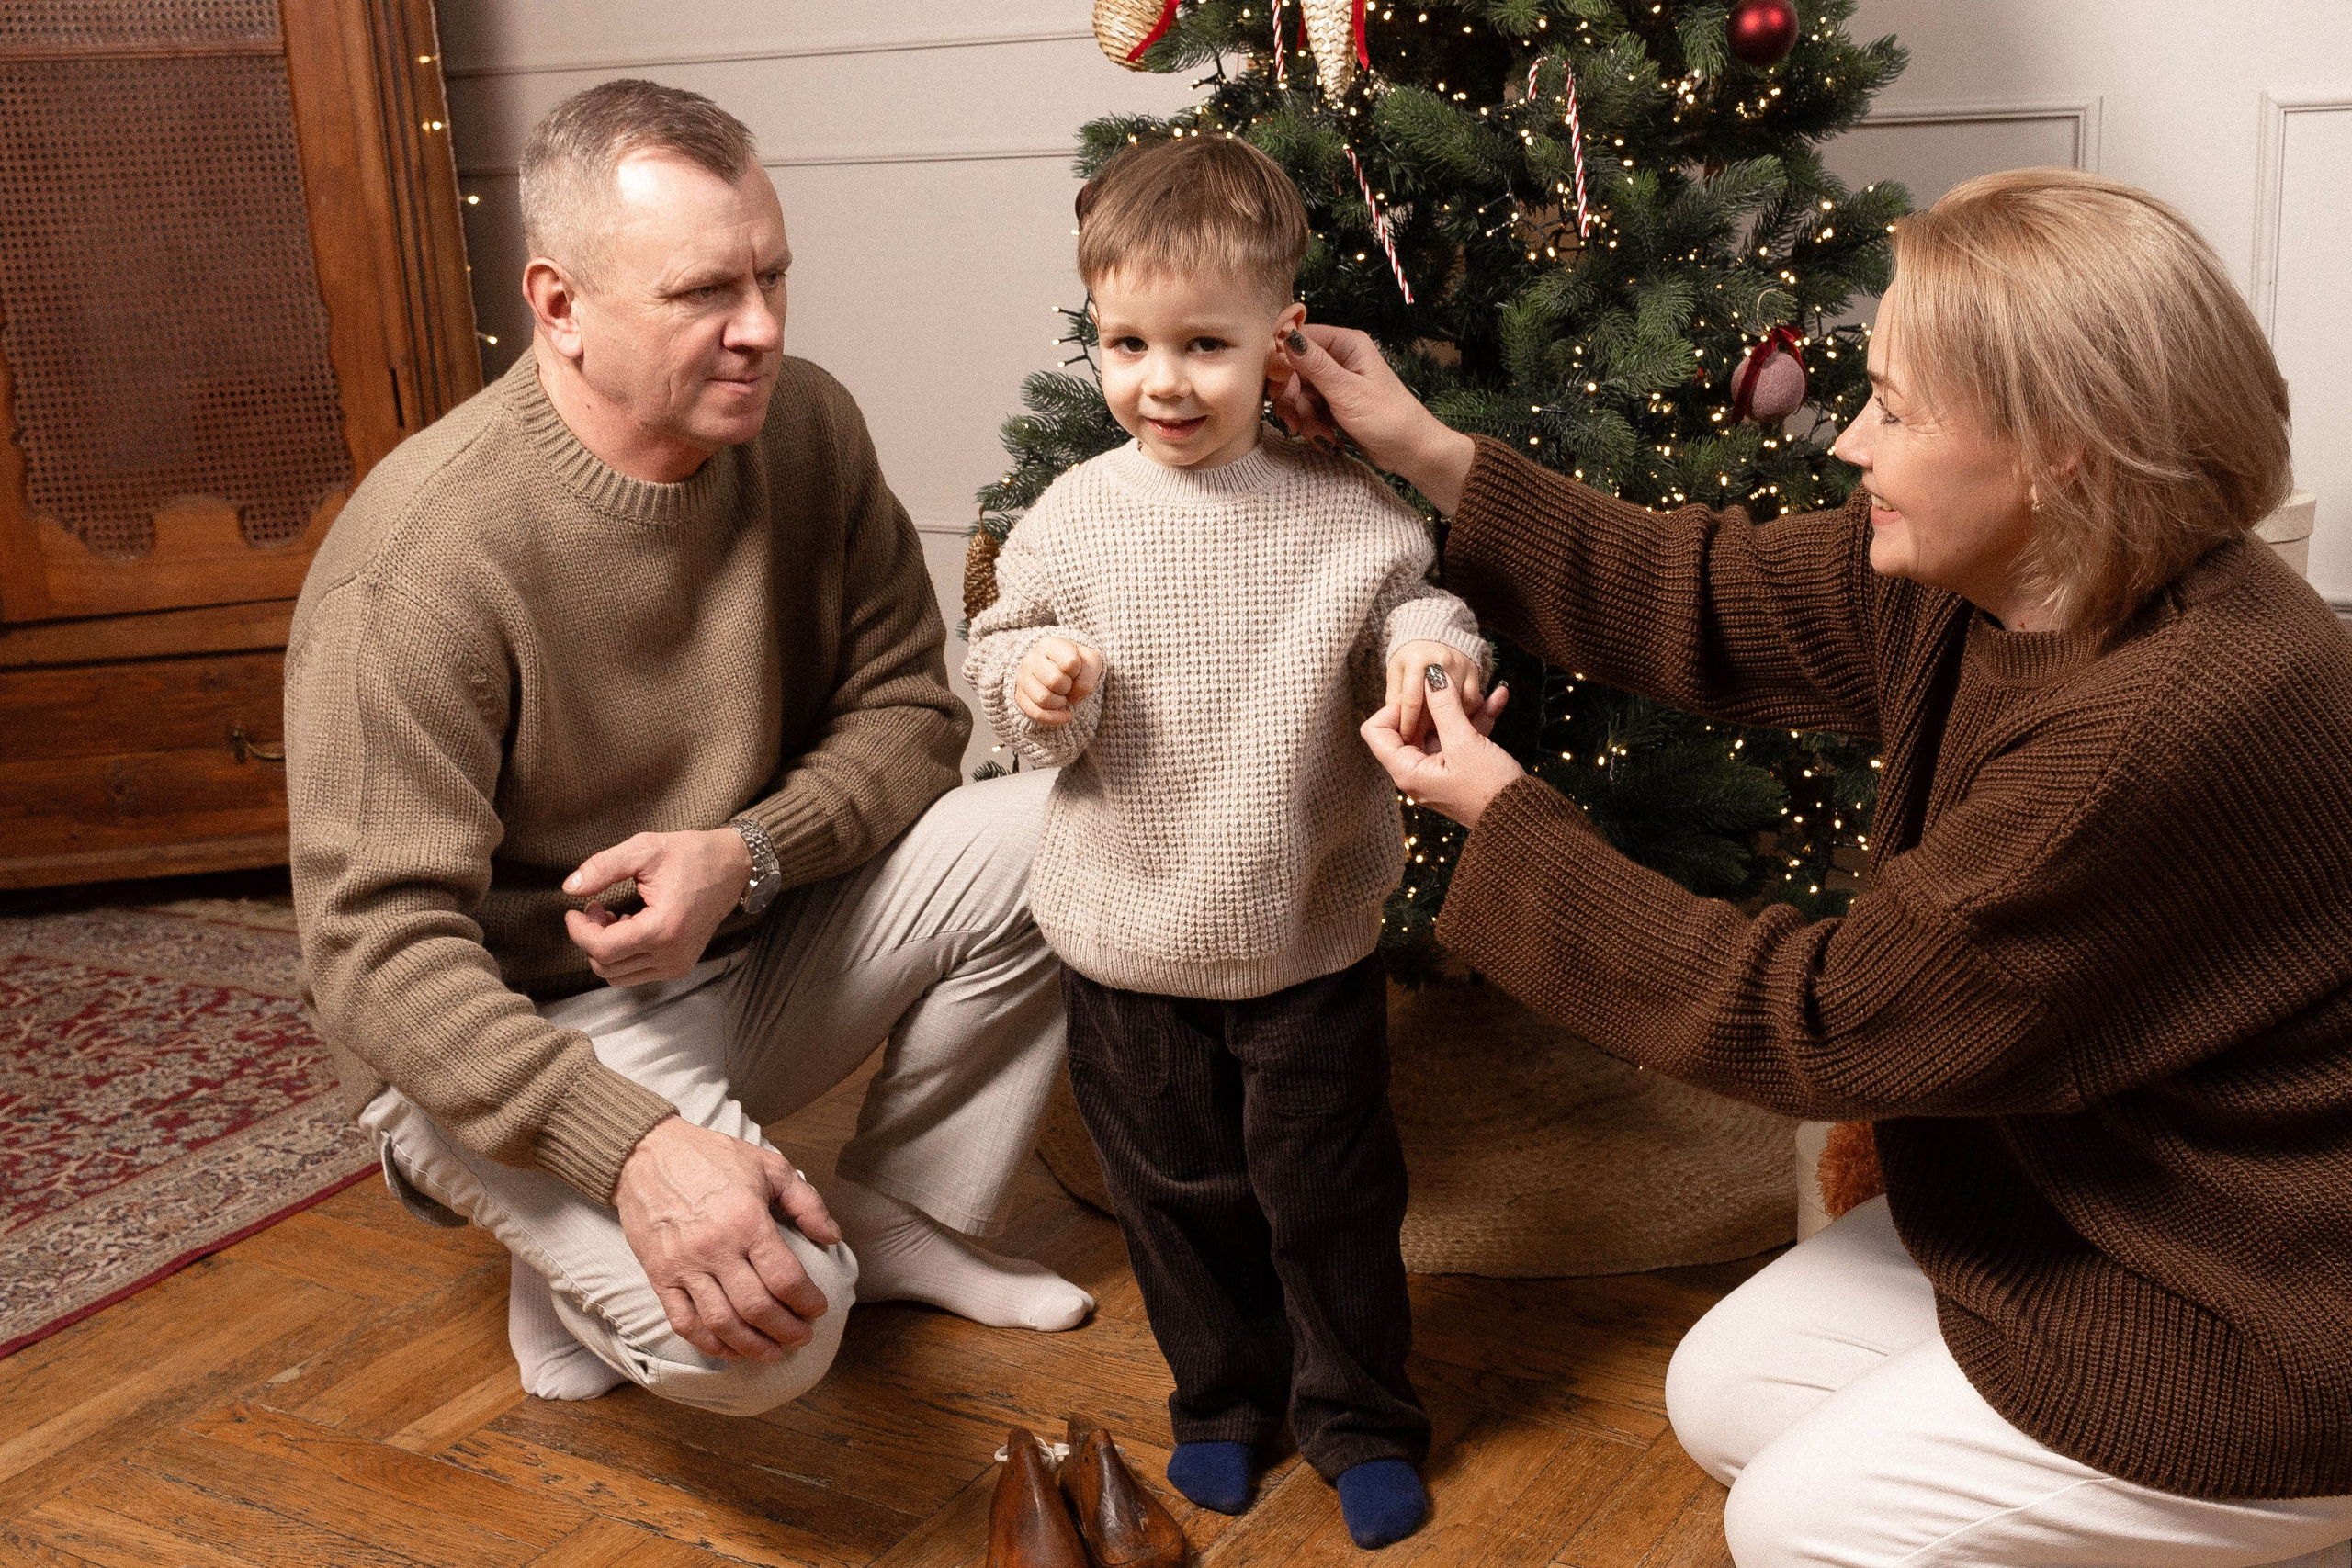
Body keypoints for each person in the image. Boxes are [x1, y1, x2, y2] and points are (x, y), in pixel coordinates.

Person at [1276, 167, 2352, 1567]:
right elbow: (1702, 596)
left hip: (2267, 1310)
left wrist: (1507, 816)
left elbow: (1822, 1022)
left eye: (1899, 412)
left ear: (2062, 447)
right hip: (2095, 1202)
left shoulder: (2158, 727)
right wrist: (1424, 448)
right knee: (1728, 1399)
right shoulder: (2009, 570)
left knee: (1794, 1526)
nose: (1852, 443)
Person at [284, 79, 1094, 1420]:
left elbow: (914, 717)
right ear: (559, 307)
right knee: (773, 1347)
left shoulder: (808, 429)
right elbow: (372, 957)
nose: (762, 330)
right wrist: (632, 1150)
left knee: (1075, 825)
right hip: (517, 1027)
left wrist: (749, 854)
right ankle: (529, 1199)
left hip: (748, 943)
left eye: (773, 275)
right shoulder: (418, 565)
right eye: (704, 293)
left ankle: (887, 1211)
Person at [963, 134, 1493, 1550]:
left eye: (1205, 343)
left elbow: (1421, 607)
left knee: (1328, 1195)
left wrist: (1433, 660)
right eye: (1126, 342)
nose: (1161, 380)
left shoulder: (1344, 513)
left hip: (1301, 933)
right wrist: (1030, 684)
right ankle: (1219, 1406)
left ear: (1280, 338)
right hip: (1125, 935)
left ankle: (1360, 1416)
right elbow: (1000, 652)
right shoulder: (1074, 518)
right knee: (1177, 1197)